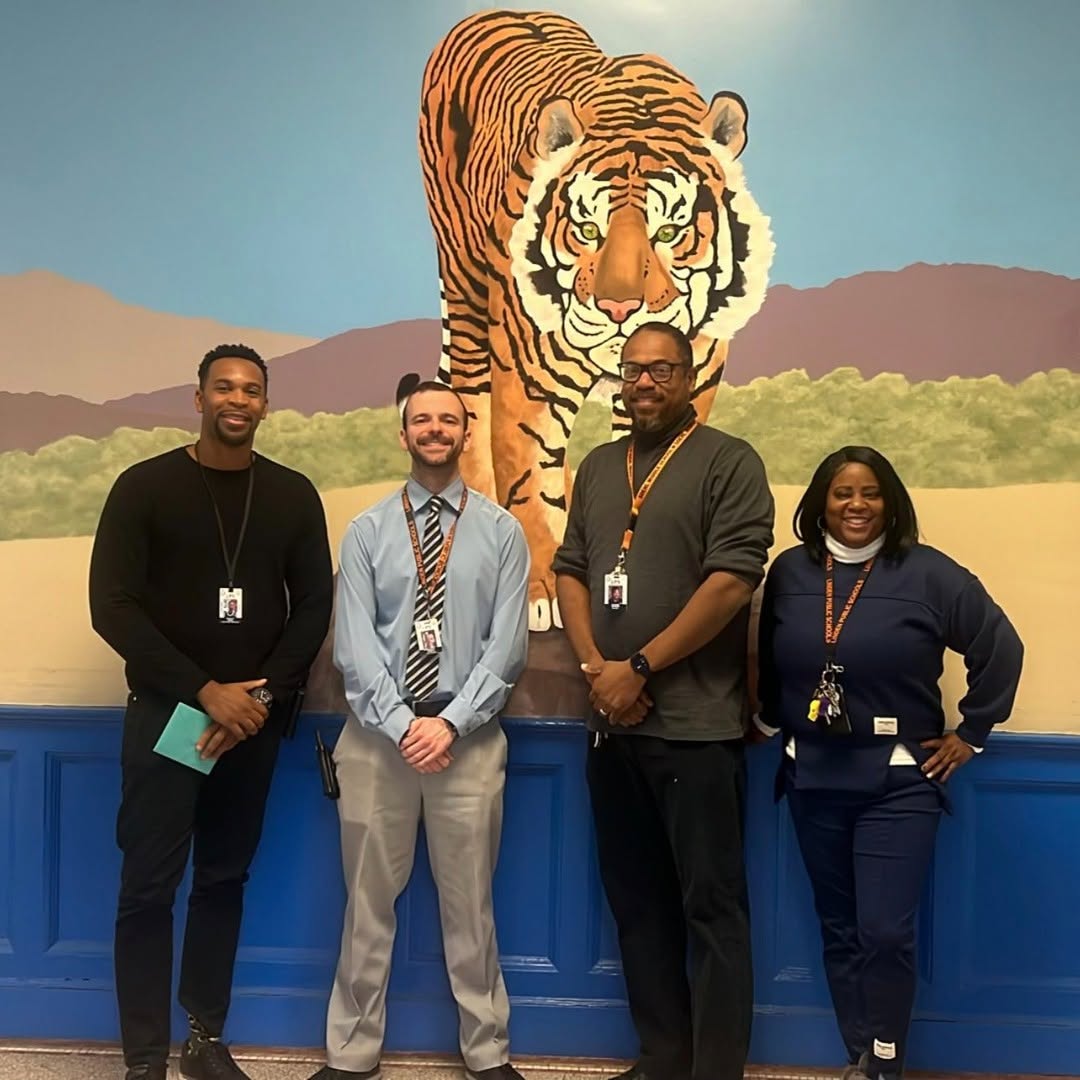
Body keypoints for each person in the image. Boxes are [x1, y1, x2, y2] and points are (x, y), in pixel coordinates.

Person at [89, 344, 334, 1080]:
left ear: (266, 404)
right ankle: (143, 1058)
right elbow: (114, 608)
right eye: (223, 386)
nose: (237, 398)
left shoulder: (292, 495)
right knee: (147, 888)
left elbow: (314, 606)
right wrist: (205, 690)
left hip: (252, 729)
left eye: (251, 389)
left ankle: (203, 1039)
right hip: (169, 720)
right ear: (197, 399)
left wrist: (258, 698)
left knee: (223, 879)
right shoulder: (144, 488)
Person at [755, 445, 1024, 1080]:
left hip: (899, 783)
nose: (856, 505)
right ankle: (861, 1054)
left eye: (870, 493)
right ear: (821, 500)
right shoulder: (790, 572)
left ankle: (885, 1059)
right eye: (843, 492)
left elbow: (1000, 646)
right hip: (811, 776)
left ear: (891, 501)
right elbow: (766, 655)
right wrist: (767, 719)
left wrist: (974, 731)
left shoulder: (929, 574)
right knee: (840, 928)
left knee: (883, 933)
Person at [553, 322, 775, 1080]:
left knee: (711, 913)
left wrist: (640, 666)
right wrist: (599, 669)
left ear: (689, 378)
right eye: (633, 370)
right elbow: (573, 570)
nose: (645, 383)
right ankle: (662, 1058)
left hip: (696, 730)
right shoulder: (597, 466)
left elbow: (731, 583)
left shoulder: (729, 462)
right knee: (637, 905)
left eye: (662, 370)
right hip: (610, 726)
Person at [314, 380, 530, 1080]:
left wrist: (452, 724)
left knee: (471, 908)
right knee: (367, 907)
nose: (435, 429)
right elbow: (353, 647)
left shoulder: (501, 531)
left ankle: (487, 1052)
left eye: (449, 420)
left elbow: (507, 649)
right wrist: (408, 725)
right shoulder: (368, 532)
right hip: (379, 742)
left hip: (467, 743)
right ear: (402, 435)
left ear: (467, 433)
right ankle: (351, 1055)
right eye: (421, 420)